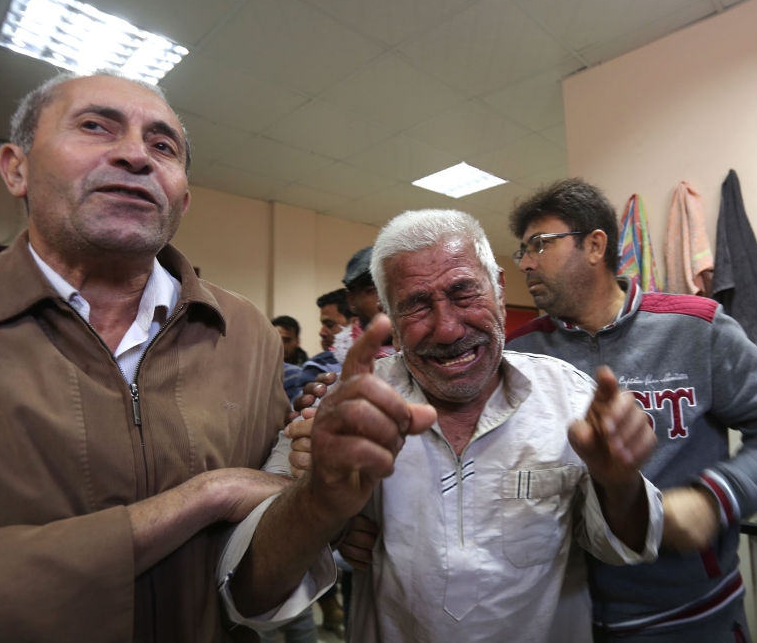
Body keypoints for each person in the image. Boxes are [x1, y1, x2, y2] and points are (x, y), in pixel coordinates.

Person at [0, 69, 355, 642]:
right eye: (96, 126)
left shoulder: (244, 330)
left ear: (182, 198)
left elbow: (258, 555)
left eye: (162, 145)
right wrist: (206, 496)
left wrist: (323, 500)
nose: (134, 156)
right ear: (16, 167)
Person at [273, 209, 665, 643]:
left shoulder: (570, 397)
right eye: (417, 305)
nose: (446, 329)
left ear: (498, 287)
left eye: (463, 292)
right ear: (390, 320)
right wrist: (323, 511)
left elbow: (628, 546)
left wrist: (619, 482)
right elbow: (258, 570)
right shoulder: (341, 408)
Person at [505, 179, 757, 642]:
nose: (527, 262)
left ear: (595, 245)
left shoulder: (694, 327)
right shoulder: (519, 353)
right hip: (562, 617)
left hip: (692, 615)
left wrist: (714, 497)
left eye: (540, 245)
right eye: (523, 250)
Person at [318, 288, 351, 352]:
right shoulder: (319, 361)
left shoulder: (374, 359)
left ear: (353, 323)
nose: (321, 333)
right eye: (323, 325)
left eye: (329, 324)